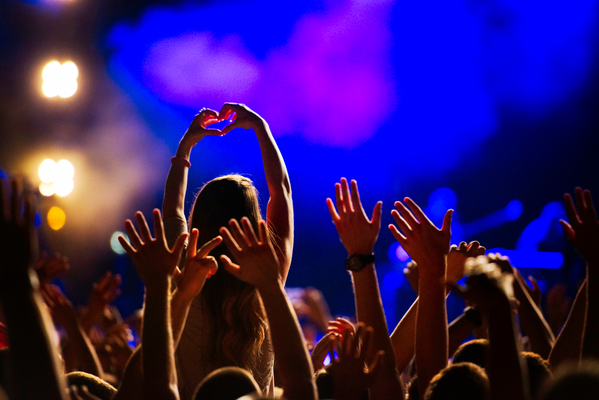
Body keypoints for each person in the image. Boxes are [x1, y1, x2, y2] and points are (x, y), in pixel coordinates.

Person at [162, 103, 293, 399]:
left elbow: (172, 206)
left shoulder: (181, 271)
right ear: (252, 218)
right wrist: (261, 127)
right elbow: (281, 192)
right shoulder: (268, 276)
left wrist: (186, 146)